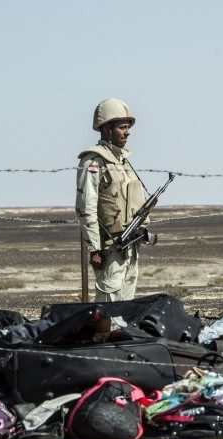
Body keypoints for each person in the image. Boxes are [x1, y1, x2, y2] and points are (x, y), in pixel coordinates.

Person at [75, 98, 149, 302]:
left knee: (127, 309)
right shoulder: (93, 161)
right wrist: (94, 248)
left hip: (131, 247)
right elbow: (86, 206)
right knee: (108, 308)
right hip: (109, 249)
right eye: (122, 127)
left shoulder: (124, 162)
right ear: (106, 128)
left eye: (128, 127)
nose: (127, 132)